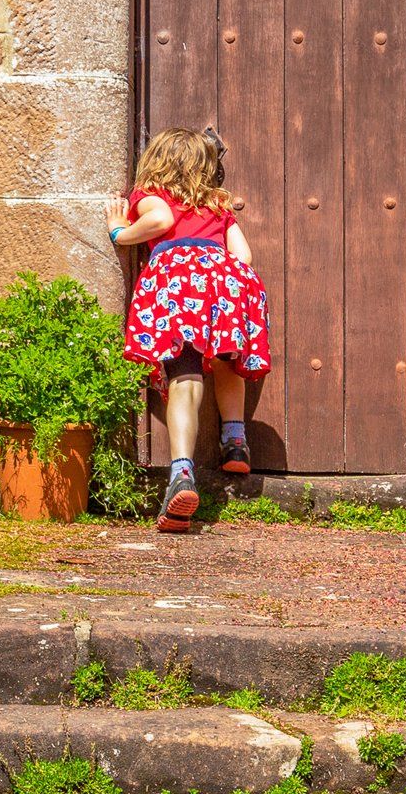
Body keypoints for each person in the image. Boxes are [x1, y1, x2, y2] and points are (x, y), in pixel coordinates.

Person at [105, 126, 271, 533]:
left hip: (180, 284)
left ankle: (182, 471)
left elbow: (159, 220)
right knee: (229, 360)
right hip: (228, 282)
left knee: (185, 373)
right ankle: (235, 440)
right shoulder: (217, 204)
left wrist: (119, 232)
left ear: (156, 162)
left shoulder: (151, 197)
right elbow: (244, 256)